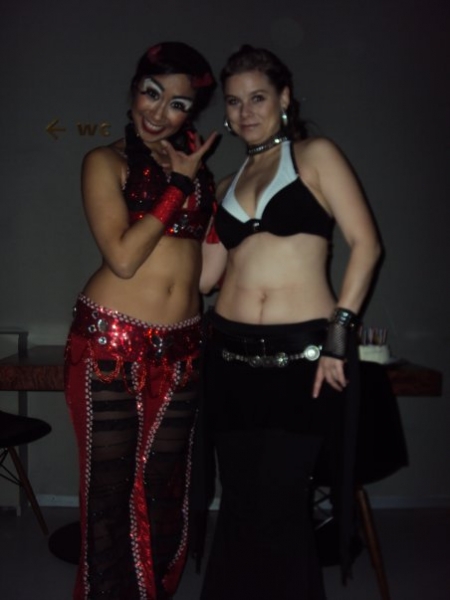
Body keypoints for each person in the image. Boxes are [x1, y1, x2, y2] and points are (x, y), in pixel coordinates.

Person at [198, 45, 382, 600]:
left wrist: (338, 336)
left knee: (280, 500)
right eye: (234, 102)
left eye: (257, 97)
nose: (245, 111)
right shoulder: (225, 182)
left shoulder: (315, 155)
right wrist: (187, 194)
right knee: (238, 500)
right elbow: (206, 279)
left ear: (284, 98)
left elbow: (366, 244)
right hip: (229, 357)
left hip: (301, 354)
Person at [64, 41, 217, 600]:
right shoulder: (105, 162)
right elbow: (124, 259)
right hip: (111, 339)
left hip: (184, 344)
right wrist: (180, 187)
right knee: (109, 494)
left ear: (190, 113)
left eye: (177, 104)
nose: (159, 112)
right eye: (152, 93)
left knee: (165, 488)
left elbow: (205, 275)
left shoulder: (197, 173)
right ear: (133, 90)